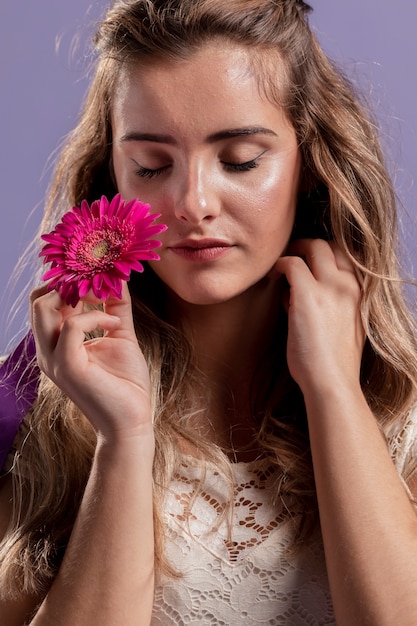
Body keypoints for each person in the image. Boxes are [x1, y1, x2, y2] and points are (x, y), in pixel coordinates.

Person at [1, 0, 417, 623]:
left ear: (309, 162)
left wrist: (334, 392)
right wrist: (124, 436)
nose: (192, 203)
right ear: (113, 173)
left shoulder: (401, 405)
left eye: (241, 159)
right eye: (152, 165)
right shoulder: (28, 411)